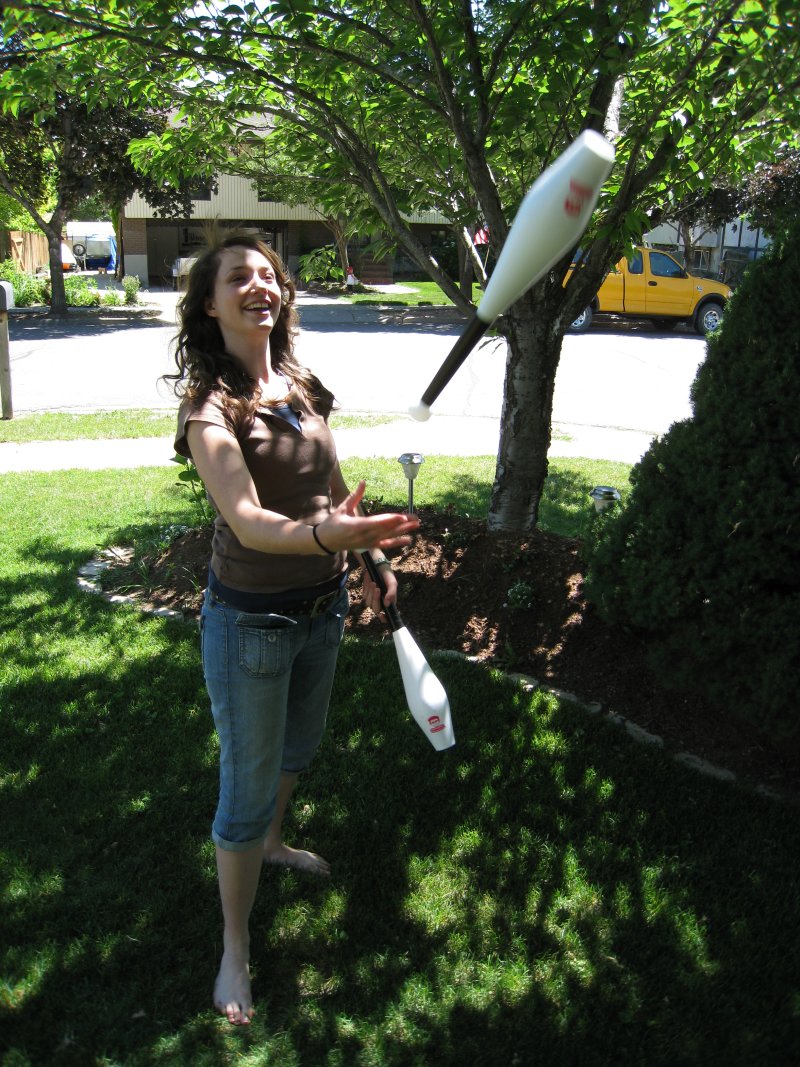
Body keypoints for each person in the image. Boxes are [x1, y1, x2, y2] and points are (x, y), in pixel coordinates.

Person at [168, 228, 419, 1026]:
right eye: (238, 277)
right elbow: (245, 521)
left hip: (324, 606)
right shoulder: (210, 408)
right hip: (252, 623)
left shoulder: (300, 382)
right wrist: (324, 539)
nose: (260, 286)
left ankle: (273, 845)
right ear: (209, 305)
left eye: (269, 274)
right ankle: (234, 944)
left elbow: (328, 481)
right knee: (243, 788)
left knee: (297, 750)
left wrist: (367, 557)